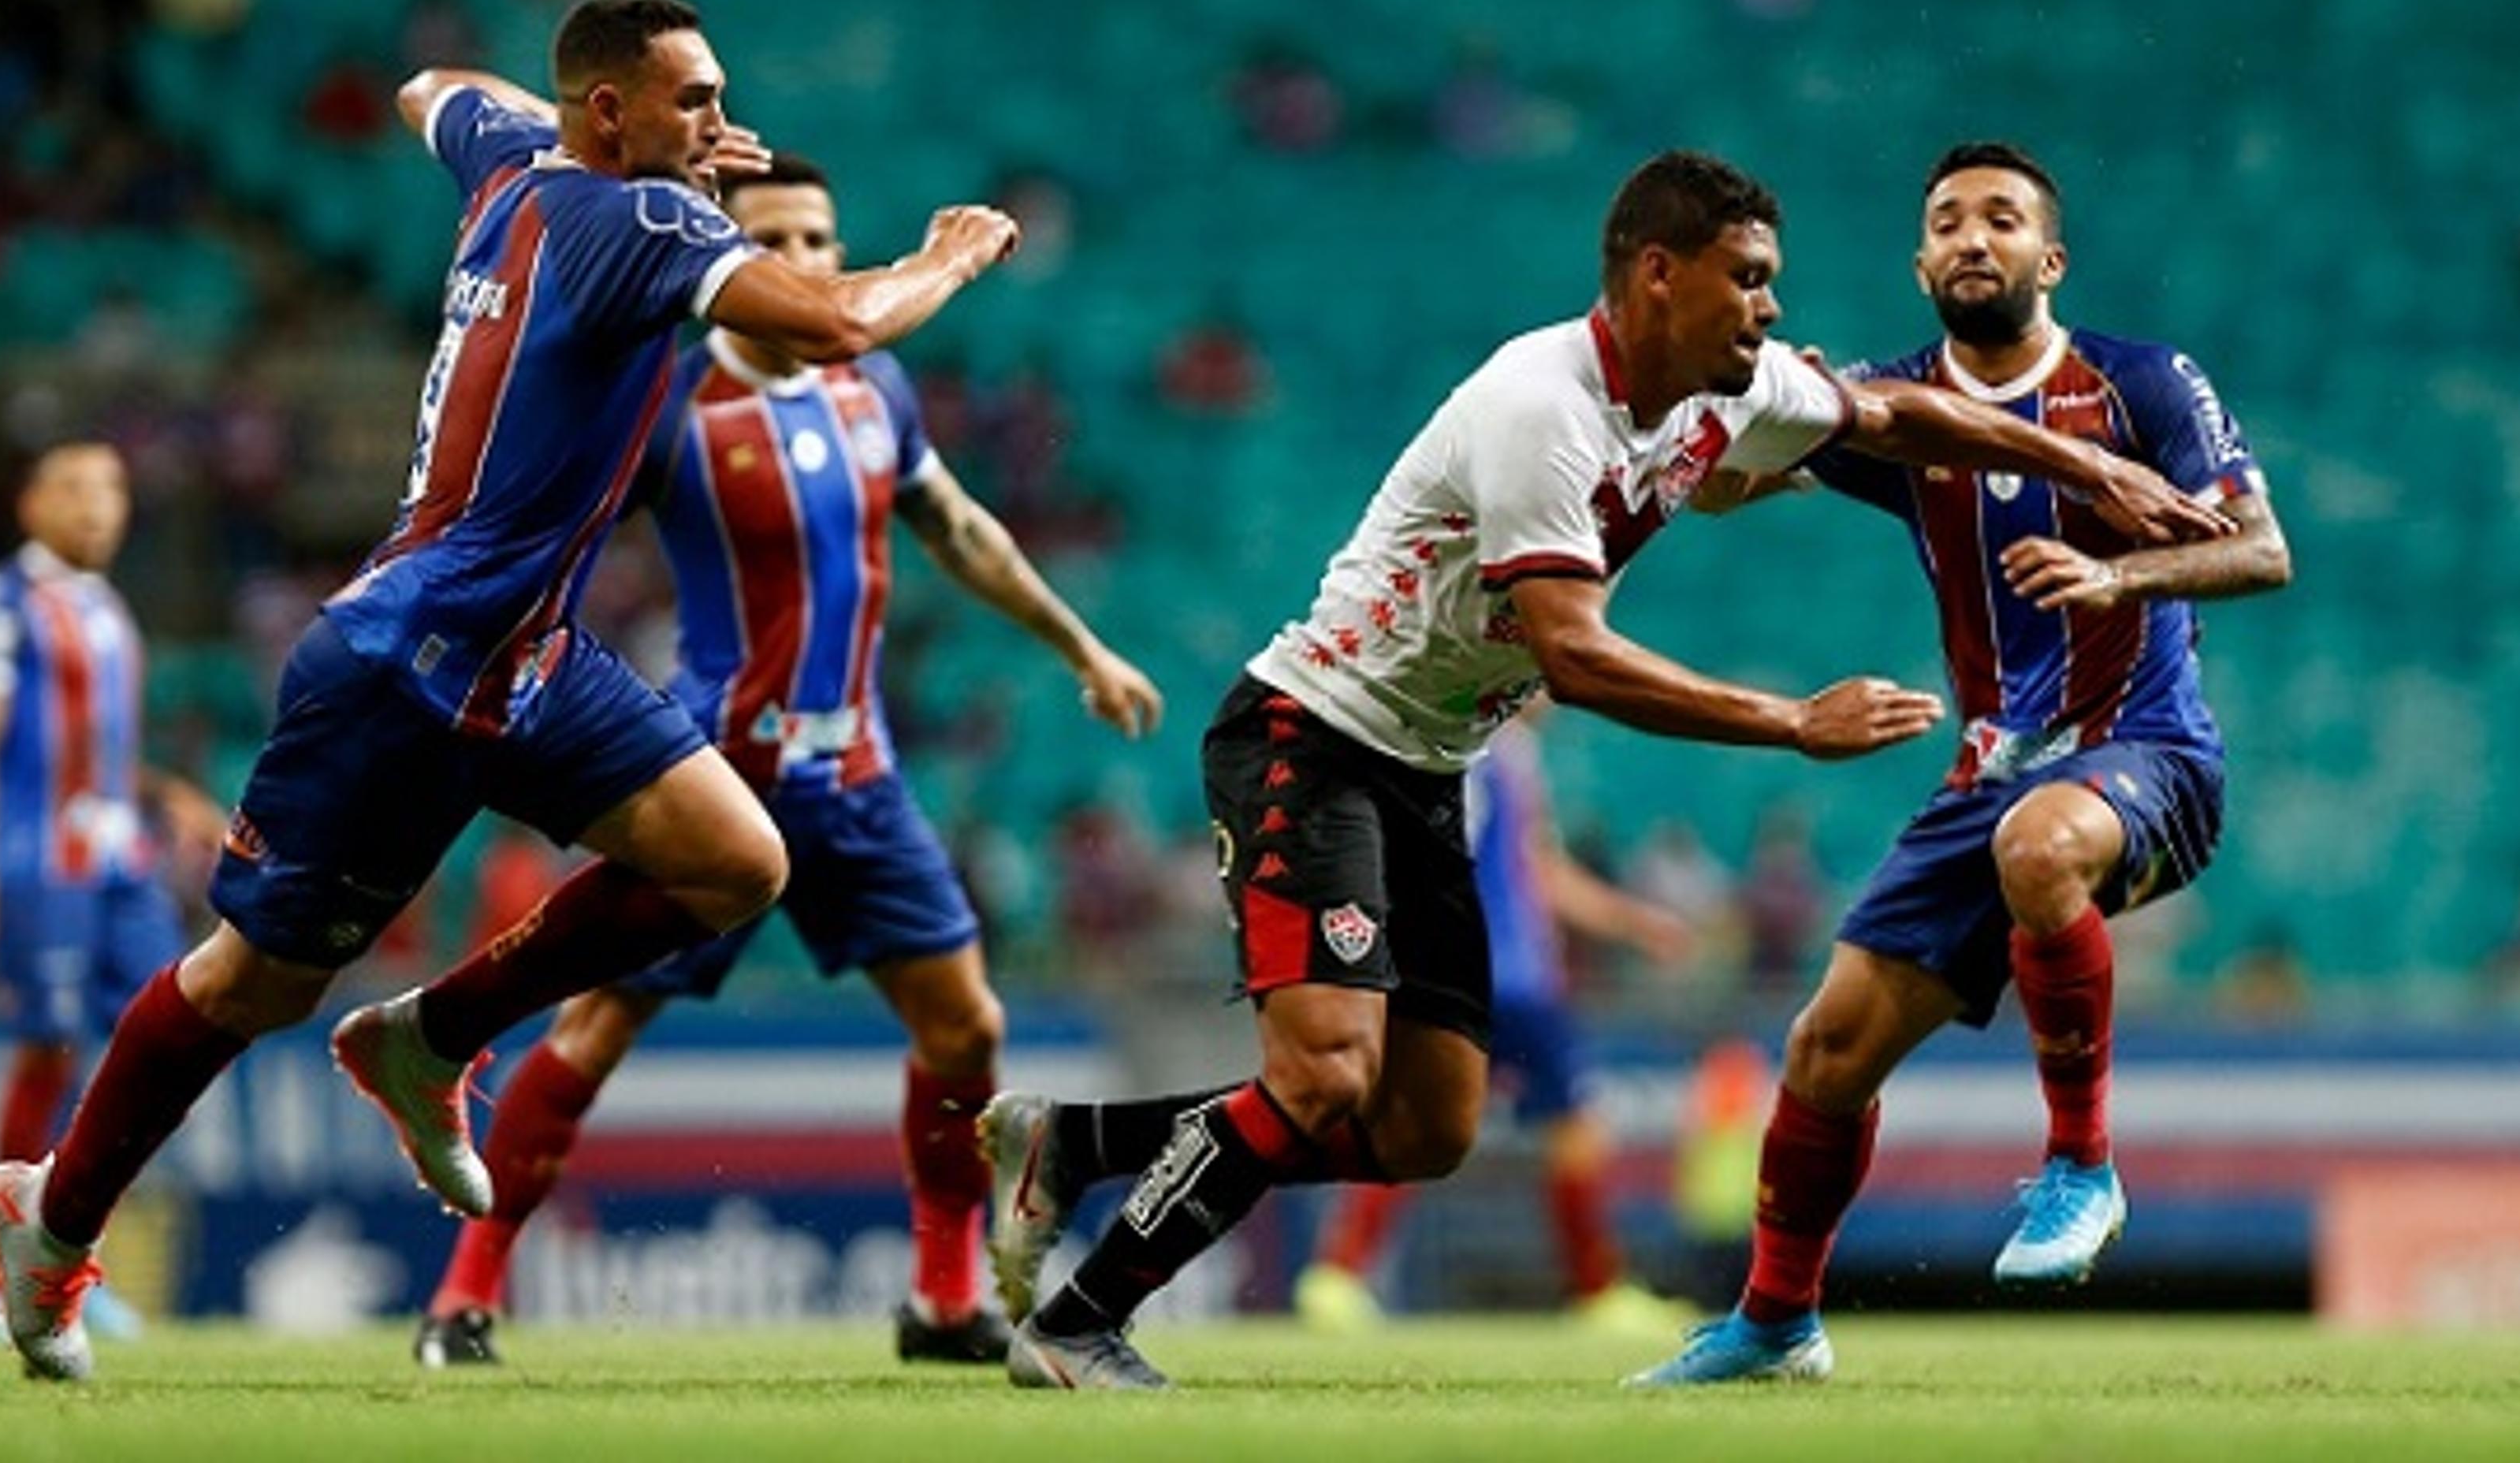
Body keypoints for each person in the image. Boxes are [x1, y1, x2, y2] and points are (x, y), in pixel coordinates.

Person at [979, 147, 2232, 1390]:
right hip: (1313, 738)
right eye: (1746, 280)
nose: (1771, 307)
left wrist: (2092, 464)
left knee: (1425, 1128)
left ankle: (1075, 1146)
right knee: (1327, 1072)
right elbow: (1574, 660)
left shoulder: (1718, 393)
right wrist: (1794, 722)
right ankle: (1080, 1322)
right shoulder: (1542, 407)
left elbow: (1902, 416)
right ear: (1657, 275)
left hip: (1429, 764)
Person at [0, 0, 1020, 1383]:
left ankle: (430, 1038)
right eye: (694, 100)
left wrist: (573, 122)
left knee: (733, 861)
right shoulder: (639, 223)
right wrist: (947, 255)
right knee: (252, 985)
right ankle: (53, 1214)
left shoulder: (510, 160)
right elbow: (833, 322)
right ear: (608, 110)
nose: (724, 129)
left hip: (532, 657)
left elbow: (428, 83)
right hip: (409, 663)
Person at [411, 152, 1164, 1370]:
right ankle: (464, 1300)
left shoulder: (878, 392)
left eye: (822, 241)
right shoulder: (672, 410)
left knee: (967, 1028)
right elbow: (551, 534)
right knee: (594, 1034)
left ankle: (941, 1297)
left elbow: (960, 528)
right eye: (780, 244)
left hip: (859, 780)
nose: (810, 263)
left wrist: (1082, 646)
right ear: (734, 265)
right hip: (712, 783)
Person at [1630, 140, 2291, 1387]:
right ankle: (1776, 1327)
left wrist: (2117, 573)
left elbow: (2263, 552)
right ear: (1920, 260)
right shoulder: (1894, 403)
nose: (1971, 237)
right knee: (1825, 1055)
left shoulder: (2142, 385)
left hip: (2143, 755)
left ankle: (2081, 1169)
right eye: (1946, 221)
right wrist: (1757, 410)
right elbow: (1716, 489)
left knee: (2039, 841)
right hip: (1990, 777)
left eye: (2001, 218)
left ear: (2051, 259)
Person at [1292, 702, 1697, 1334]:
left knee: (1415, 1123)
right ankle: (1597, 1291)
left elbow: (1534, 872)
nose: (1556, 693)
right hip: (1510, 978)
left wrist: (1632, 923)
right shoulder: (1482, 753)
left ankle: (1336, 1277)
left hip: (1468, 972)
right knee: (1572, 1128)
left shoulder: (1497, 750)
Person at [0, 441, 221, 1340]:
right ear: (31, 505)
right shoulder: (1, 600)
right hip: (37, 859)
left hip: (118, 857)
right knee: (49, 1049)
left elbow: (85, 745)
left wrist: (163, 791)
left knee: (167, 1035)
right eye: (75, 487)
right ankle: (0, 1279)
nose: (99, 505)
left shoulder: (102, 604)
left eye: (113, 487)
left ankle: (66, 1252)